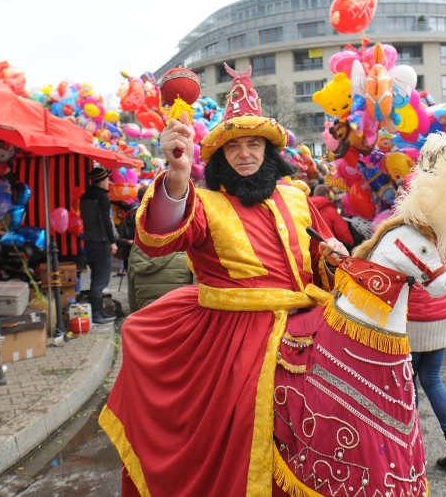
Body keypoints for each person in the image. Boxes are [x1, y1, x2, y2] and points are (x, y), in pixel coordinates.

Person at [99, 64, 347, 496]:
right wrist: (177, 176)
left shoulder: (296, 196)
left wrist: (330, 256)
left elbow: (317, 259)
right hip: (233, 342)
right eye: (234, 148)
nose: (246, 154)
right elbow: (157, 238)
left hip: (308, 326)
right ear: (220, 156)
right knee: (237, 433)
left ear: (269, 152)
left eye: (254, 145)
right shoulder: (205, 204)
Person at [406, 262, 446, 471]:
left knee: (408, 381)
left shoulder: (406, 236)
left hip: (412, 317)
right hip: (441, 312)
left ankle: (410, 451)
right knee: (432, 379)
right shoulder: (442, 232)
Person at [126, 185, 195, 313]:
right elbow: (199, 291)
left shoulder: (138, 246)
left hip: (148, 320)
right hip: (180, 319)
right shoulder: (187, 246)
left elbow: (132, 293)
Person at [78, 167, 118, 325]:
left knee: (96, 277)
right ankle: (96, 315)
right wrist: (112, 241)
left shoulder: (84, 197)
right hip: (101, 241)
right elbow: (105, 221)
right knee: (100, 280)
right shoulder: (102, 197)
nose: (109, 182)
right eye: (107, 179)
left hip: (89, 241)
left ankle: (99, 312)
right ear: (101, 181)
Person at [308, 183, 354, 248]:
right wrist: (350, 243)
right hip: (328, 248)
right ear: (327, 195)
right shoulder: (330, 211)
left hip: (310, 250)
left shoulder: (305, 208)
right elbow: (342, 232)